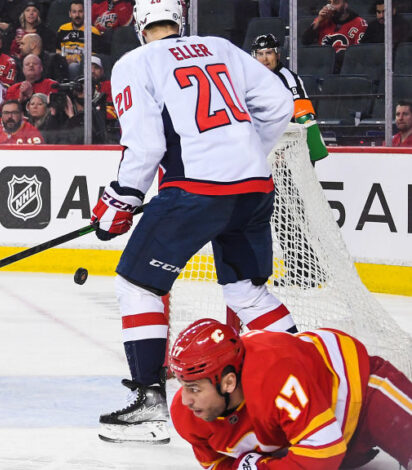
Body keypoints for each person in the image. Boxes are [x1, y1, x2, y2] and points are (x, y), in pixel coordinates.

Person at [91, 0, 296, 444]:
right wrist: (243, 156)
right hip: (254, 186)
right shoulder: (219, 46)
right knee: (246, 289)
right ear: (180, 20)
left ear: (139, 26)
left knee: (137, 284)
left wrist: (119, 201)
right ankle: (303, 375)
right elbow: (282, 103)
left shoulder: (136, 61)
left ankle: (149, 405)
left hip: (196, 191)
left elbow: (144, 146)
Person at [169, 318, 412, 469]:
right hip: (318, 443)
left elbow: (324, 450)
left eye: (194, 388)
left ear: (229, 382)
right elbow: (217, 465)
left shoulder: (272, 375)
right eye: (183, 385)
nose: (185, 400)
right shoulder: (187, 414)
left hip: (363, 395)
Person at [251, 34, 328, 163]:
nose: (264, 59)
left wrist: (313, 149)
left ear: (278, 55)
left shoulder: (288, 78)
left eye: (269, 53)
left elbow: (303, 114)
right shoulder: (251, 80)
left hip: (289, 146)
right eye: (260, 54)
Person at [301, 0, 368, 73]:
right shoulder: (322, 20)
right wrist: (319, 21)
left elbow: (359, 55)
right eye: (330, 3)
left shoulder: (360, 23)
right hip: (323, 69)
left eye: (336, 3)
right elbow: (305, 41)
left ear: (345, 5)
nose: (331, 7)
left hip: (346, 70)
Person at [56, 0, 105, 78]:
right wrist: (64, 59)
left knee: (73, 67)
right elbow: (57, 49)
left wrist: (78, 59)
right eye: (74, 12)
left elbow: (95, 55)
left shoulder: (93, 31)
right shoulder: (62, 29)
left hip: (81, 64)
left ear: (85, 13)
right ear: (70, 14)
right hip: (64, 62)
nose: (77, 15)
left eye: (80, 11)